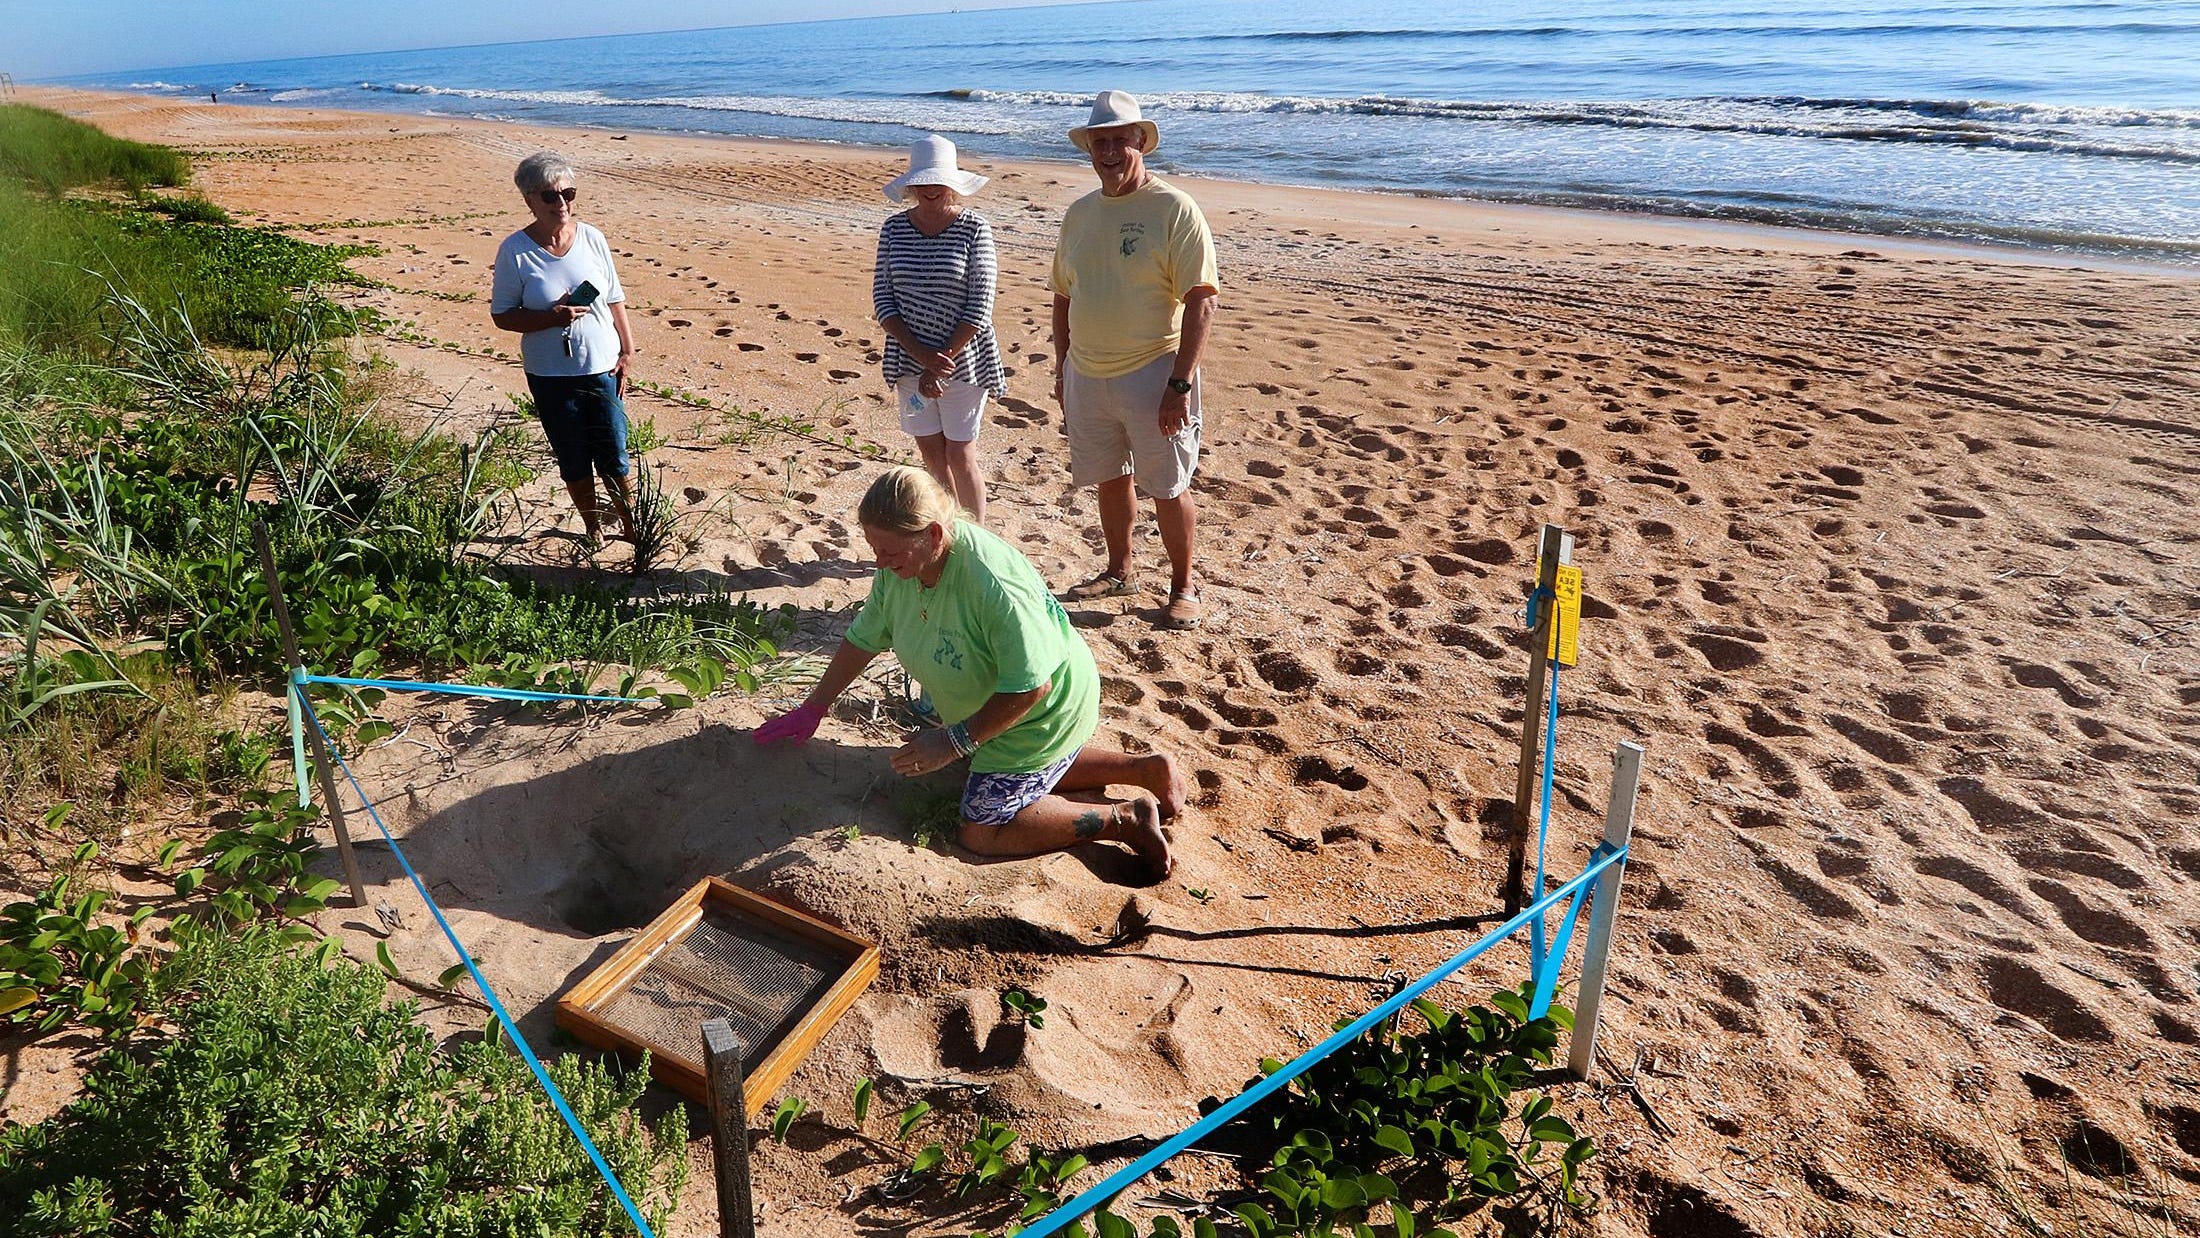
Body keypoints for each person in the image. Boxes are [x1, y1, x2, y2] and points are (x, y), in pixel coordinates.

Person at [755, 467, 1182, 881]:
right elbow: (865, 638)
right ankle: (1143, 769)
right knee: (980, 761)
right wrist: (814, 707)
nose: (879, 563)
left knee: (982, 828)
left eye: (890, 552)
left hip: (1041, 710)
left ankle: (1123, 819)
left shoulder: (991, 584)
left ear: (933, 534)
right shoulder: (902, 567)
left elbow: (1032, 685)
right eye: (874, 549)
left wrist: (954, 740)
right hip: (995, 704)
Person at [1049, 90, 1219, 630]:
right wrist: (1062, 367)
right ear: (1089, 149)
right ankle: (1119, 570)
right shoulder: (1080, 214)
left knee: (1168, 485)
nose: (1110, 150)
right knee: (1109, 478)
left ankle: (1183, 584)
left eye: (1120, 139)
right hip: (1088, 372)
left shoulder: (1174, 208)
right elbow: (1061, 294)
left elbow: (1202, 299)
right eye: (1100, 141)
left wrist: (1178, 384)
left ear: (1141, 142)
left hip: (1153, 371)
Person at [489, 151, 637, 551]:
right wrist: (551, 318)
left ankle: (630, 526)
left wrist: (627, 349)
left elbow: (614, 297)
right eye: (550, 196)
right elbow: (502, 315)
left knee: (614, 452)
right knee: (572, 456)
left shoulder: (592, 237)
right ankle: (593, 527)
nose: (562, 204)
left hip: (602, 366)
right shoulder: (514, 250)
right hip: (550, 374)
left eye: (568, 193)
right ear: (529, 201)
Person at [873, 135, 1005, 526]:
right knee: (932, 457)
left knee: (960, 456)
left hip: (964, 360)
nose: (931, 189)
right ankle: (945, 529)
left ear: (952, 184)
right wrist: (922, 359)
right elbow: (883, 298)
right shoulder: (894, 229)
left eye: (938, 181)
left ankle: (975, 536)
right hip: (908, 357)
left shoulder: (974, 228)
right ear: (912, 185)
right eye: (923, 181)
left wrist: (939, 364)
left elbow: (981, 303)